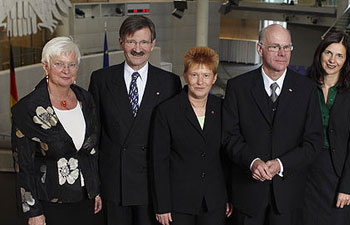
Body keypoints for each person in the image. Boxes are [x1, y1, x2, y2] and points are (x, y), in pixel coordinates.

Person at [222, 24, 323, 225]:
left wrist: (281, 164)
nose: (282, 53)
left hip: (288, 197)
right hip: (248, 194)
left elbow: (314, 142)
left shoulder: (306, 89)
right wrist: (252, 161)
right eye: (275, 47)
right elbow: (229, 137)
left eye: (287, 47)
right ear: (260, 49)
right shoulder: (238, 87)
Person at [88, 15, 181, 225]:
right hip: (114, 185)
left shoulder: (169, 83)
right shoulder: (101, 80)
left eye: (143, 42)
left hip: (151, 185)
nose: (137, 48)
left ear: (152, 44)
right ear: (121, 42)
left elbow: (174, 141)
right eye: (131, 41)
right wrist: (95, 187)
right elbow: (93, 137)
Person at [11, 37, 101, 225]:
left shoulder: (86, 99)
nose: (66, 70)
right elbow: (24, 166)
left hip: (86, 200)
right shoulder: (27, 109)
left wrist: (95, 190)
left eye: (72, 64)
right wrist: (33, 211)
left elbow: (90, 153)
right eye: (59, 64)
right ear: (46, 67)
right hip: (49, 202)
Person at [150, 47, 232, 225]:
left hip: (214, 201)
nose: (200, 82)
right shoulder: (167, 111)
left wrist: (227, 196)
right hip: (178, 203)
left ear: (215, 78)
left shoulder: (222, 109)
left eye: (206, 75)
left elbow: (227, 157)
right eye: (195, 75)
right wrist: (162, 205)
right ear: (185, 76)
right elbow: (159, 162)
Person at [302, 31, 350, 225]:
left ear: (346, 60)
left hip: (338, 171)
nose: (333, 60)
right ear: (320, 54)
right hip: (306, 169)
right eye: (328, 53)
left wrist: (347, 186)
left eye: (339, 55)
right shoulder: (304, 84)